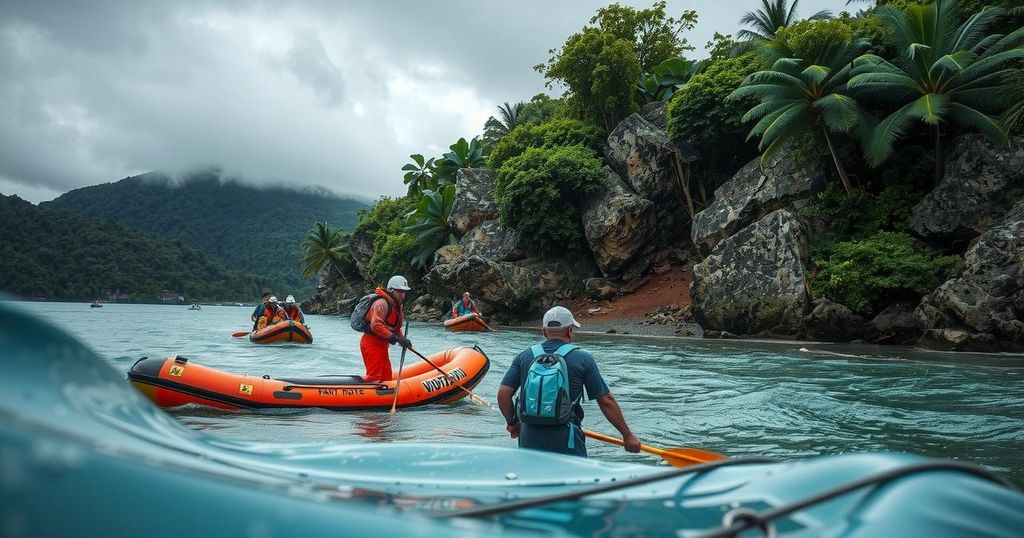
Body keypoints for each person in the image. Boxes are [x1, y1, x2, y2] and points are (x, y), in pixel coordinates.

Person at [497, 306, 641, 457]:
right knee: (573, 479)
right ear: (570, 330)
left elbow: (503, 394)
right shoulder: (583, 359)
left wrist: (512, 422)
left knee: (534, 479)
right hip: (566, 435)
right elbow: (606, 400)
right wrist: (627, 435)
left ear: (544, 331)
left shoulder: (524, 356)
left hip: (529, 435)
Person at [359, 275, 411, 382]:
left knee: (387, 377)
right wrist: (395, 337)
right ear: (391, 290)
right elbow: (376, 325)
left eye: (404, 292)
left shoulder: (398, 306)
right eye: (399, 291)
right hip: (371, 344)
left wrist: (402, 339)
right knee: (375, 378)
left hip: (383, 345)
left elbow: (395, 327)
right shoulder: (381, 304)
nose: (402, 294)